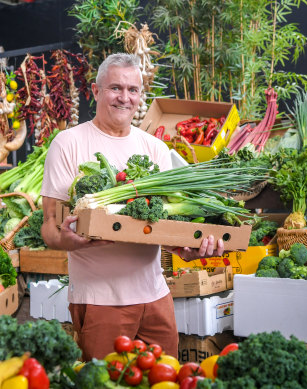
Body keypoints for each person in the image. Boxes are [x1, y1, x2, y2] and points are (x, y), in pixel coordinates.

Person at [40, 53, 224, 361]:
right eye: (115, 88)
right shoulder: (67, 143)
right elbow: (49, 225)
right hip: (100, 301)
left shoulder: (155, 148)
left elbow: (161, 226)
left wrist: (187, 247)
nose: (125, 97)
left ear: (140, 95)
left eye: (133, 90)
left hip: (157, 297)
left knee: (165, 379)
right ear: (96, 91)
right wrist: (66, 240)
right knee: (103, 382)